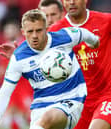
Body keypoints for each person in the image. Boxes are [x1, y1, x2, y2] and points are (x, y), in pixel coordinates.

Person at [0, 9, 99, 129]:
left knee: (47, 119)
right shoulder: (19, 57)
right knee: (43, 121)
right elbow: (5, 92)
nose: (35, 36)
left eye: (39, 30)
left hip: (71, 99)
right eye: (30, 31)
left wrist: (94, 42)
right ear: (23, 32)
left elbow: (84, 34)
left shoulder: (65, 37)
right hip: (40, 108)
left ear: (46, 28)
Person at [48, 0, 111, 129]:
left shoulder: (106, 21)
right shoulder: (56, 31)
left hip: (107, 95)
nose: (71, 2)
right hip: (79, 101)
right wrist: (17, 55)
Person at [0, 0, 65, 59]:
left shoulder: (71, 34)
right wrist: (18, 59)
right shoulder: (30, 42)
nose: (50, 20)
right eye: (46, 16)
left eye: (53, 14)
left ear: (62, 14)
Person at [0, 21, 33, 129]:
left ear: (18, 31)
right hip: (13, 85)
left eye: (10, 30)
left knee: (28, 113)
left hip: (25, 84)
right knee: (12, 112)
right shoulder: (4, 46)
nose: (8, 32)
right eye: (6, 30)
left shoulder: (24, 44)